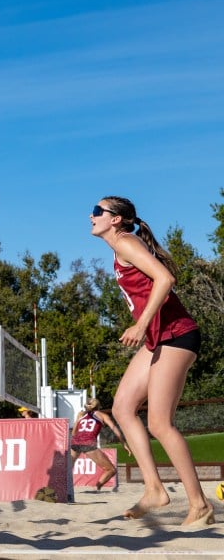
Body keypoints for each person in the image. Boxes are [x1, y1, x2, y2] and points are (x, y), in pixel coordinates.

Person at [91, 196, 214, 526]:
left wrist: (141, 323)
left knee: (160, 423)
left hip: (177, 335)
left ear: (116, 219)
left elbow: (165, 279)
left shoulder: (126, 243)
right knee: (122, 408)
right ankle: (155, 490)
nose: (92, 216)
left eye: (97, 211)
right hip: (158, 339)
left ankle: (200, 505)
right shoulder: (121, 247)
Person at [70, 398, 130, 490]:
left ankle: (64, 489)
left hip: (75, 442)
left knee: (68, 468)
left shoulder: (81, 415)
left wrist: (78, 420)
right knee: (111, 470)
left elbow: (74, 434)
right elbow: (114, 429)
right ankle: (97, 488)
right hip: (88, 443)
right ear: (98, 406)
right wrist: (123, 443)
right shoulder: (102, 415)